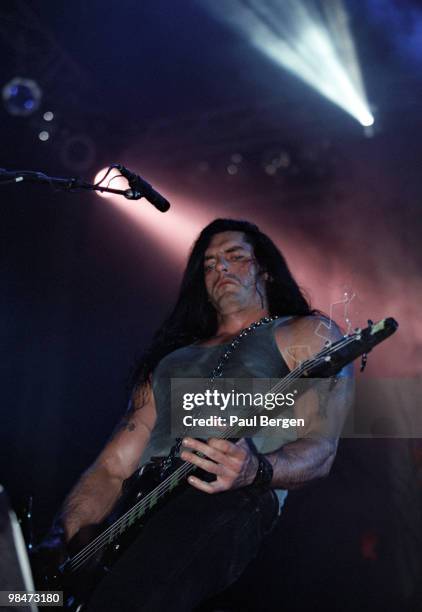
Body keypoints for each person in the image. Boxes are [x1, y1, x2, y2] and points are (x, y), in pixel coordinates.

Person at [39, 218, 353, 611]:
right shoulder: (170, 361)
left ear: (266, 270)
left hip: (227, 496)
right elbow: (112, 467)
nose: (219, 268)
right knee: (20, 599)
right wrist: (60, 539)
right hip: (136, 511)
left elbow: (321, 448)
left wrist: (256, 469)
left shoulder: (307, 333)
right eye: (208, 264)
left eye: (234, 257)